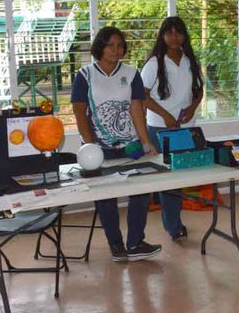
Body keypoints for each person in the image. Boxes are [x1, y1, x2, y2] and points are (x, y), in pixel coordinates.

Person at [71, 26, 161, 262]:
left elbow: (136, 109)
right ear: (100, 46)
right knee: (106, 196)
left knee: (140, 192)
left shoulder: (131, 73)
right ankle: (116, 246)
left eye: (120, 45)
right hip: (98, 149)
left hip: (130, 145)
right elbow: (80, 112)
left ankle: (135, 242)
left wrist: (145, 141)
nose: (116, 49)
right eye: (111, 44)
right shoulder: (85, 75)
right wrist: (90, 146)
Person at [141, 17, 204, 241]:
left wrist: (193, 108)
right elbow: (142, 96)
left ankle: (172, 219)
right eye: (170, 32)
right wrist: (165, 115)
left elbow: (199, 90)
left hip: (186, 127)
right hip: (160, 128)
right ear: (163, 36)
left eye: (179, 32)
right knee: (168, 178)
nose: (174, 37)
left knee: (181, 176)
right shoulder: (154, 63)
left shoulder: (190, 61)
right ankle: (174, 225)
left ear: (185, 36)